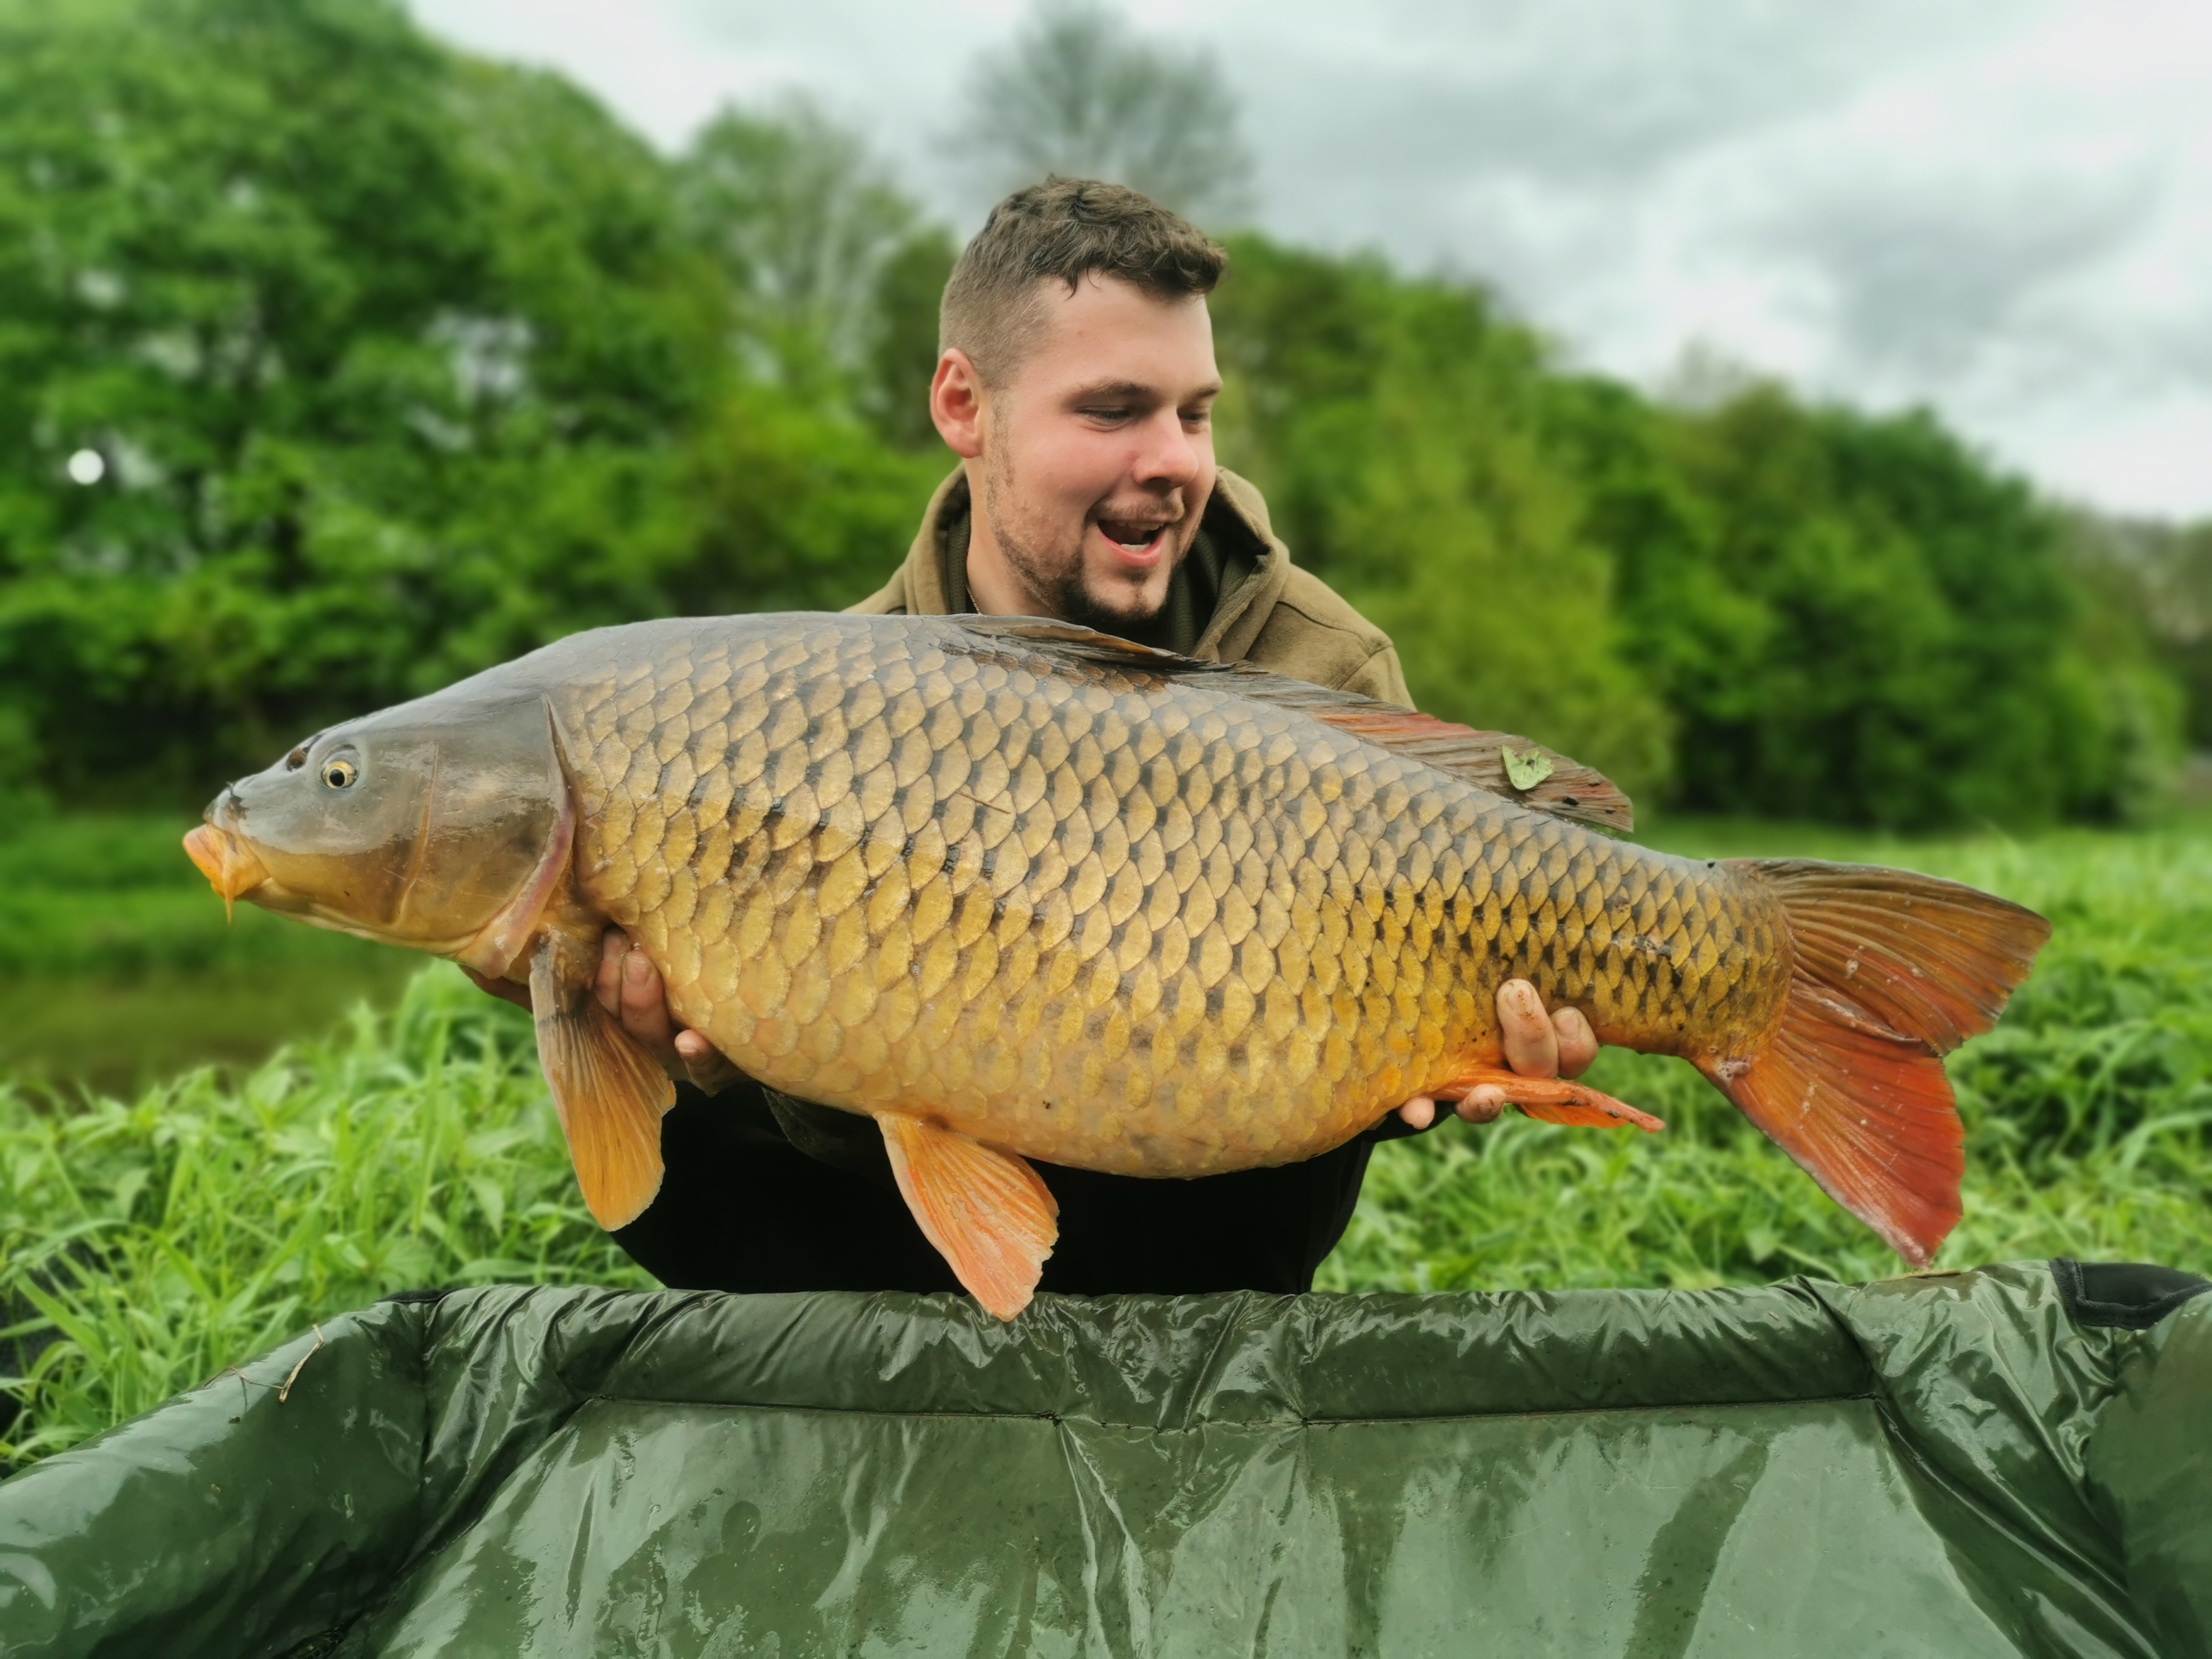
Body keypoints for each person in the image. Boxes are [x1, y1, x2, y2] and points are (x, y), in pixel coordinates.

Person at [472, 178, 1602, 1297]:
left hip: (1213, 1204)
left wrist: (1461, 1058)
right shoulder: (820, 692)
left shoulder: (1323, 667)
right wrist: (740, 1067)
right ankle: (888, 1379)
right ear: (965, 406)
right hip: (890, 1226)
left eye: (1194, 412)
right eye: (1114, 411)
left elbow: (1372, 1049)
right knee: (703, 1129)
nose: (1175, 459)